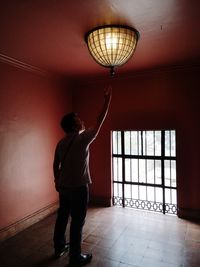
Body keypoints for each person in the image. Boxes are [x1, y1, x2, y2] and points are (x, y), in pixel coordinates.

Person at [53, 86, 112, 266]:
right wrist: (107, 100)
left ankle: (59, 247)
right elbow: (100, 119)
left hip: (63, 187)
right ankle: (75, 257)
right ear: (74, 124)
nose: (81, 120)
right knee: (77, 222)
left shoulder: (61, 143)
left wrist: (56, 180)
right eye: (78, 119)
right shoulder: (83, 138)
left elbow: (55, 164)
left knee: (63, 216)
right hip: (78, 188)